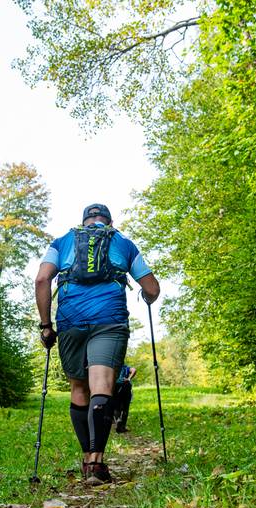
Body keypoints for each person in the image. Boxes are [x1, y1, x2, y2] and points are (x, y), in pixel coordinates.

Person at [35, 203, 160, 485]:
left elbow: (42, 278)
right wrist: (147, 298)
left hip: (71, 321)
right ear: (109, 221)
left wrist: (46, 326)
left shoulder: (62, 241)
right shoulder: (123, 243)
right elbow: (151, 288)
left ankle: (85, 456)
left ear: (84, 222)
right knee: (102, 385)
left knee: (79, 388)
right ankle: (97, 464)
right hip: (110, 320)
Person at [113, 364, 137, 433]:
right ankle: (122, 427)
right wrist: (129, 378)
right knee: (126, 407)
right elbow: (134, 370)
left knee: (116, 406)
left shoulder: (113, 366)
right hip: (126, 386)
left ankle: (118, 420)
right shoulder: (125, 367)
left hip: (116, 387)